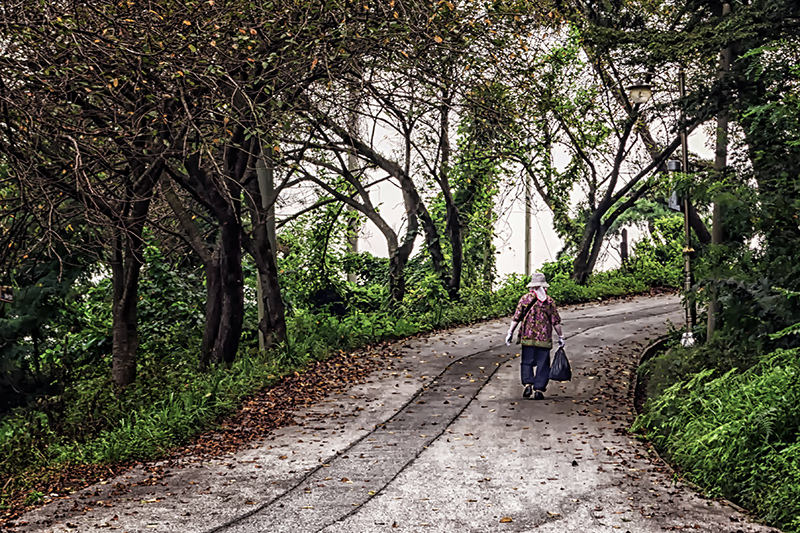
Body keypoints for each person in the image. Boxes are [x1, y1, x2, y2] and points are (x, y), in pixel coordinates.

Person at [505, 272, 564, 400]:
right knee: (543, 363)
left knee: (527, 362)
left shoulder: (525, 299)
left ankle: (527, 384)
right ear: (544, 286)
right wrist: (560, 337)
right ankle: (538, 389)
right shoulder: (549, 301)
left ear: (531, 286)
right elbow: (556, 321)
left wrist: (510, 332)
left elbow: (516, 318)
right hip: (544, 339)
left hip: (527, 338)